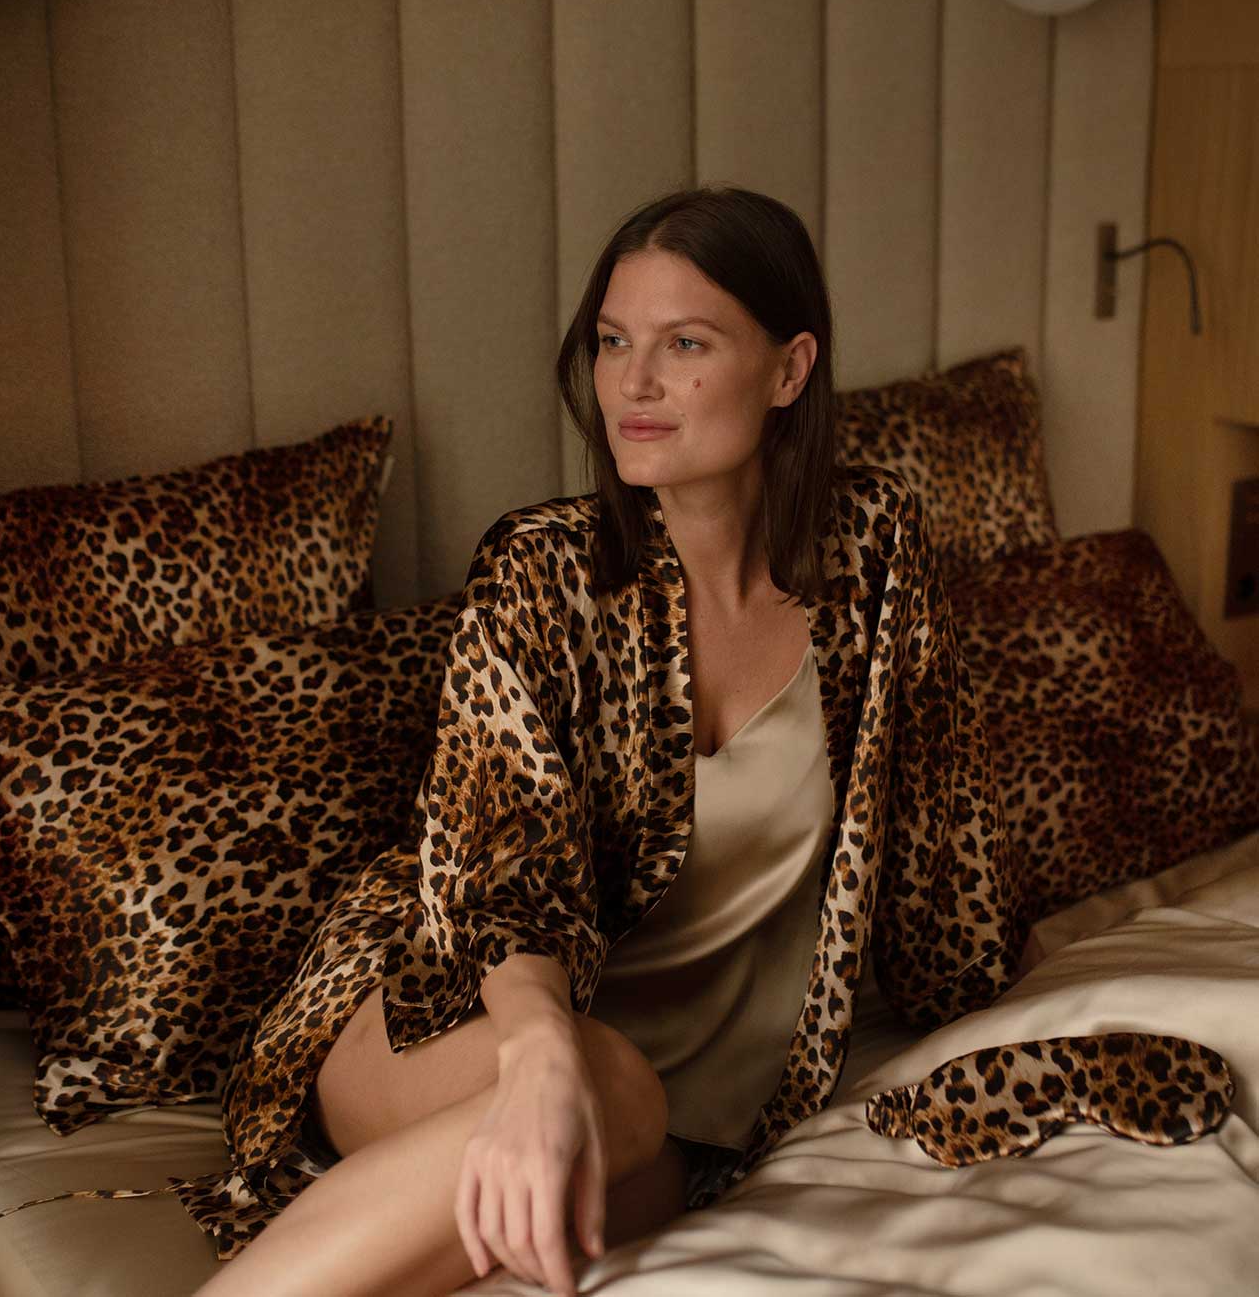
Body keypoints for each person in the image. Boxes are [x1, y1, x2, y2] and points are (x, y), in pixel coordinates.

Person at [181, 185, 1027, 1296]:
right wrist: (544, 1061)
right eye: (614, 342)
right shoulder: (543, 570)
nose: (632, 383)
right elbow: (501, 869)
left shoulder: (878, 547)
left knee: (589, 1209)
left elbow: (940, 833)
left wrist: (1000, 1026)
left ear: (789, 369)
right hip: (450, 1006)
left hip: (690, 1121)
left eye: (685, 343)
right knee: (612, 1090)